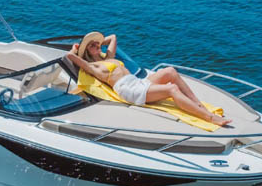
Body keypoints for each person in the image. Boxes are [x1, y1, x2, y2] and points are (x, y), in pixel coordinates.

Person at [67, 31, 232, 127]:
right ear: (86, 51)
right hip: (129, 90)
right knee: (171, 89)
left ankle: (197, 104)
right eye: (92, 45)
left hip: (136, 82)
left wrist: (97, 42)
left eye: (97, 44)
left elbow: (113, 37)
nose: (97, 46)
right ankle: (210, 118)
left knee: (170, 71)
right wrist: (77, 48)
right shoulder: (93, 67)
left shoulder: (108, 57)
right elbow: (70, 56)